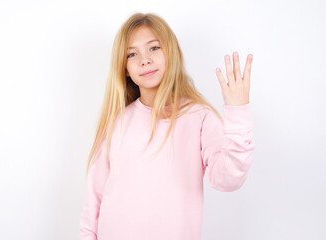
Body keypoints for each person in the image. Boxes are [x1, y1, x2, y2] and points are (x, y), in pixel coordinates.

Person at [79, 12, 254, 240]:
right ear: (124, 68)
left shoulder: (199, 117)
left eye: (154, 48)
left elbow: (227, 179)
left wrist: (237, 112)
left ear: (170, 52)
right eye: (132, 53)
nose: (145, 60)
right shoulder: (116, 122)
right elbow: (94, 201)